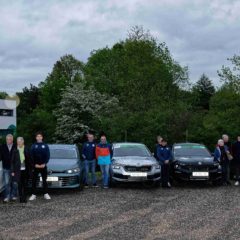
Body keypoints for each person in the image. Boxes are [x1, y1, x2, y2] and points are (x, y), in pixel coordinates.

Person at [29, 132, 51, 201]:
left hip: (43, 166)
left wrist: (44, 163)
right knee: (34, 181)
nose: (39, 137)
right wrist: (34, 164)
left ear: (42, 137)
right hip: (35, 166)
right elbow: (31, 156)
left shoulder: (45, 145)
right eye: (37, 136)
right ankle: (33, 194)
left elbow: (48, 155)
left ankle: (46, 194)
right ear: (36, 138)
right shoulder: (33, 146)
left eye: (40, 136)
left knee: (44, 180)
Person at [11, 137, 32, 203]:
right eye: (18, 141)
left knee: (25, 184)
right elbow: (12, 161)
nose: (19, 142)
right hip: (18, 170)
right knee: (19, 185)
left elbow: (30, 159)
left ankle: (24, 198)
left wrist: (31, 169)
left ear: (23, 142)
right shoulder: (15, 150)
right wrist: (12, 171)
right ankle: (20, 198)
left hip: (25, 170)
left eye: (20, 141)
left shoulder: (27, 149)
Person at [0, 134, 17, 202]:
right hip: (6, 167)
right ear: (6, 140)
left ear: (12, 140)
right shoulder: (2, 146)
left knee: (14, 183)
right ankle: (7, 197)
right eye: (7, 139)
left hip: (14, 168)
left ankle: (13, 196)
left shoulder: (16, 146)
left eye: (10, 139)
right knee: (6, 183)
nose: (8, 140)